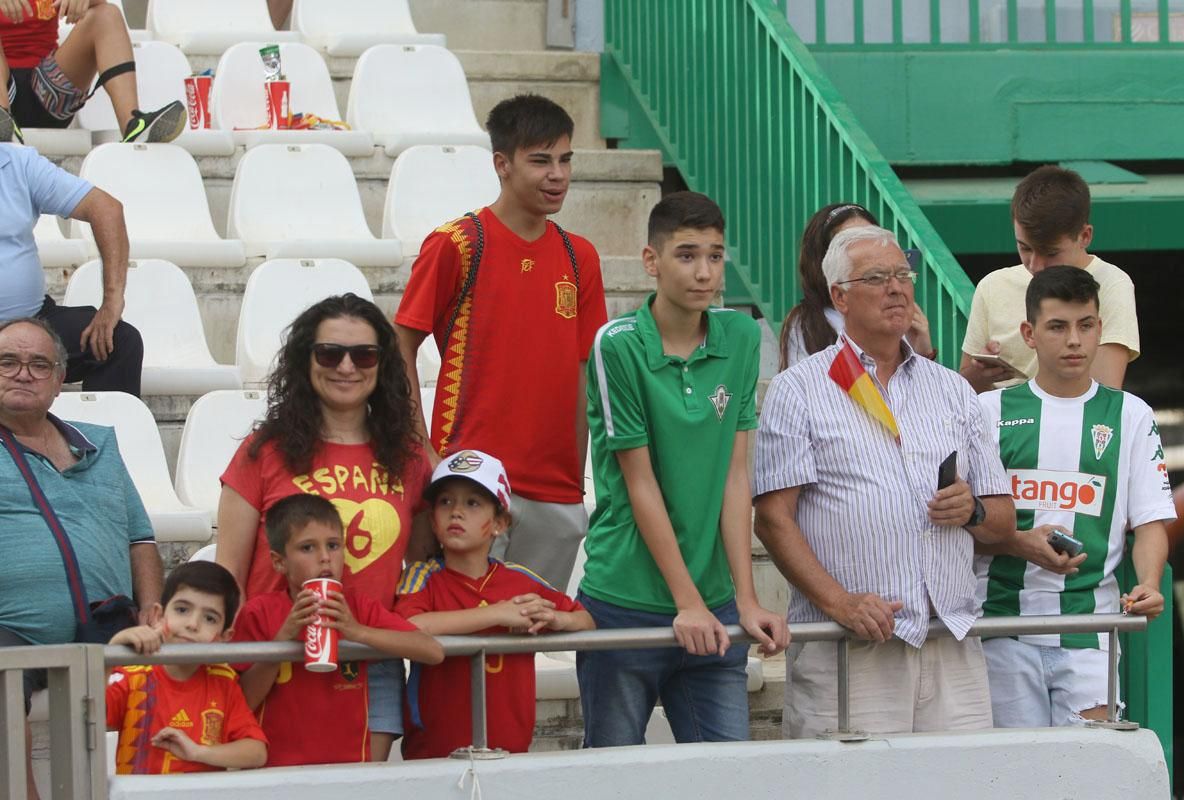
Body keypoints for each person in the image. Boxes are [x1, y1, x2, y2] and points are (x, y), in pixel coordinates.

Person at [753, 225, 1016, 738]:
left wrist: (973, 511)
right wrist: (840, 602)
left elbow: (1002, 519)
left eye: (903, 275)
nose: (897, 288)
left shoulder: (954, 391)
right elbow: (772, 520)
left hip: (950, 642)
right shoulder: (799, 390)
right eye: (877, 277)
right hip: (850, 646)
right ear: (840, 296)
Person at [577, 192, 789, 747]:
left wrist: (742, 598)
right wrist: (685, 602)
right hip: (627, 603)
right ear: (652, 261)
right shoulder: (616, 345)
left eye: (716, 257)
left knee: (726, 778)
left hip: (715, 609)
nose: (704, 272)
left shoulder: (742, 338)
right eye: (687, 255)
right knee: (614, 781)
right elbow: (638, 480)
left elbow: (733, 475)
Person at [394, 93, 608, 592]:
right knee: (457, 645)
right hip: (469, 482)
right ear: (502, 164)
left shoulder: (581, 257)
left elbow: (583, 370)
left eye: (565, 159)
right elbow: (398, 345)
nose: (557, 174)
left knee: (523, 646)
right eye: (540, 161)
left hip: (556, 492)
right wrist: (423, 450)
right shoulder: (456, 243)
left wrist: (574, 480)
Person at [216, 293, 431, 760]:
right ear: (305, 360)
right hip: (279, 653)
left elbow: (420, 569)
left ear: (383, 365)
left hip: (369, 658)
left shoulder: (410, 461)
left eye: (365, 354)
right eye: (329, 353)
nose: (347, 367)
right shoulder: (262, 452)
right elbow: (227, 573)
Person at [974, 265, 1174, 727]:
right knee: (1015, 779)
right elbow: (965, 521)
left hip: (1091, 633)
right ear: (1029, 333)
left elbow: (1150, 520)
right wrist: (1017, 542)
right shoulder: (988, 411)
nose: (1074, 341)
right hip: (1001, 628)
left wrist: (1147, 583)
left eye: (1086, 326)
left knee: (1090, 775)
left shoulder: (1131, 414)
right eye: (1058, 327)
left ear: (1100, 329)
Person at [0, 317, 161, 798]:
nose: (22, 373)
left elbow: (141, 539)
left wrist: (154, 609)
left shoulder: (101, 445)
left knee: (201, 651)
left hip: (113, 620)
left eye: (38, 364)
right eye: (7, 361)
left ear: (57, 381)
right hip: (12, 633)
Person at [396, 449, 594, 758]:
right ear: (433, 521)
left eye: (472, 503)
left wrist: (557, 620)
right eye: (445, 502)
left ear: (500, 522)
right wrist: (495, 614)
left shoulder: (520, 580)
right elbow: (408, 627)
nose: (456, 512)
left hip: (510, 752)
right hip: (432, 754)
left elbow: (584, 619)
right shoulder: (422, 576)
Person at [232, 494, 443, 768]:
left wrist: (357, 632)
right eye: (307, 548)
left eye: (333, 546)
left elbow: (432, 651)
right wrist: (283, 639)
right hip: (276, 771)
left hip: (349, 769)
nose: (324, 558)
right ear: (279, 562)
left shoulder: (357, 607)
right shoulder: (258, 612)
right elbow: (243, 702)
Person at [960, 165, 1139, 393]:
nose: (1035, 266)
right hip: (999, 425)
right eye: (1024, 248)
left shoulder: (1112, 283)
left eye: (1051, 253)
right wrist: (980, 375)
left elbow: (1104, 394)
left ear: (1085, 236)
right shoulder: (992, 286)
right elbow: (962, 392)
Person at [1, 142, 144, 396]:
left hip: (33, 317)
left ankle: (99, 435)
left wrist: (112, 303)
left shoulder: (19, 162)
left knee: (119, 342)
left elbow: (106, 208)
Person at [106, 561, 269, 775]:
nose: (193, 624)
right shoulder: (133, 675)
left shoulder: (224, 682)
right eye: (182, 610)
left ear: (224, 637)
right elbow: (89, 718)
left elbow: (257, 752)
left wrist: (197, 753)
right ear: (158, 616)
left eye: (209, 618)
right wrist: (110, 652)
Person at [0, 0, 185, 144]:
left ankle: (133, 125)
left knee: (107, 15)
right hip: (4, 87)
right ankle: (3, 123)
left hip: (47, 91)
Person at [778, 202, 933, 368]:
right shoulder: (807, 323)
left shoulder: (894, 314)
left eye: (871, 237)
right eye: (847, 242)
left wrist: (923, 354)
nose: (894, 288)